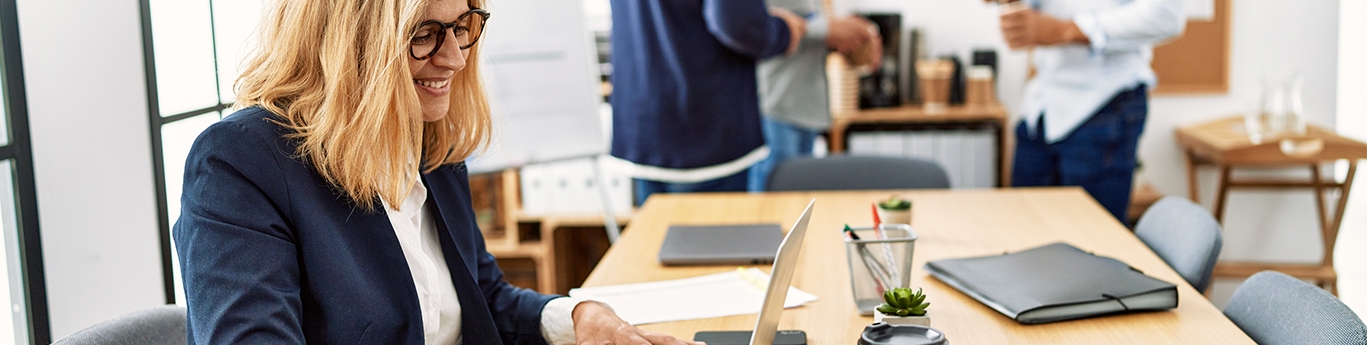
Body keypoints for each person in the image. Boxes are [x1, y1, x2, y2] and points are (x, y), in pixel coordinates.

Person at [173, 0, 698, 344]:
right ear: (350, 40)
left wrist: (578, 320)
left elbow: (482, 296)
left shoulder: (427, 143)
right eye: (424, 33)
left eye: (463, 26)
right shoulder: (238, 165)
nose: (454, 57)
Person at [995, 0, 1184, 224]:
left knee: (1094, 243)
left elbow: (1165, 15)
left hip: (1104, 103)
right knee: (1024, 231)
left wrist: (1067, 29)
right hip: (1041, 106)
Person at [608, 0, 807, 205]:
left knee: (657, 234)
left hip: (643, 120)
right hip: (704, 129)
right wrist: (783, 32)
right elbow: (737, 23)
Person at [747, 0, 882, 192]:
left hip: (805, 108)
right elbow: (756, 25)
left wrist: (847, 34)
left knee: (799, 202)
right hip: (776, 106)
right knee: (773, 203)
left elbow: (805, 20)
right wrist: (828, 29)